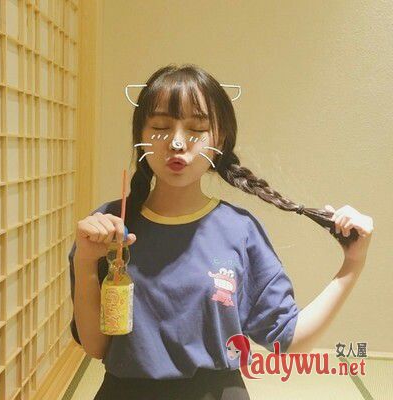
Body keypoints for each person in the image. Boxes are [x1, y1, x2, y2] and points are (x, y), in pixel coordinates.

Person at [68, 64, 374, 400]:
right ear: (140, 135)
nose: (177, 142)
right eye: (160, 127)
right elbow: (96, 347)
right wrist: (85, 260)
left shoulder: (240, 231)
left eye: (197, 129)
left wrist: (352, 265)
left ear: (220, 139)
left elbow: (287, 339)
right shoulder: (109, 226)